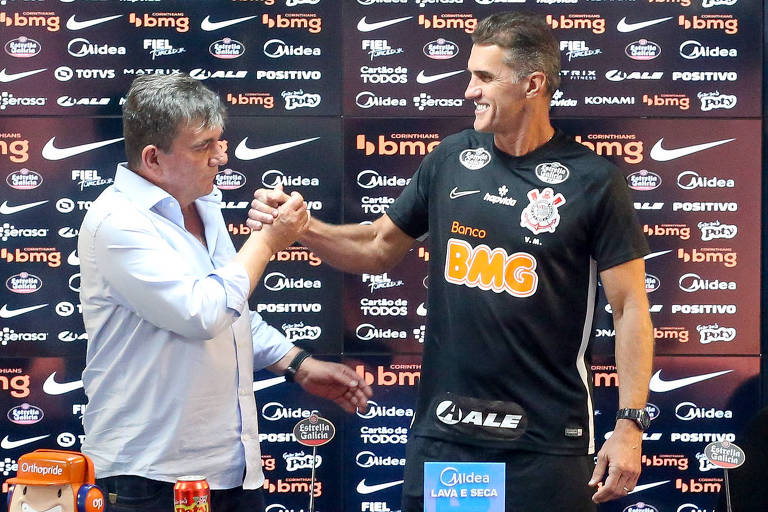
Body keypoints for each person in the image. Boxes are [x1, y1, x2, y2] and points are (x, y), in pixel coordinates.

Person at [247, 12, 654, 511]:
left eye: (484, 78)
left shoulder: (594, 180)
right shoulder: (450, 158)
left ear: (532, 83)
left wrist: (630, 424)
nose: (468, 91)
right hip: (449, 435)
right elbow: (378, 247)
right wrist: (303, 227)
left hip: (548, 441)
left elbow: (631, 306)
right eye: (469, 75)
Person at [77, 73, 372, 512]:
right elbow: (201, 313)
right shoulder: (118, 221)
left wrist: (297, 364)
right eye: (203, 146)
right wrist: (267, 242)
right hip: (148, 474)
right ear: (153, 158)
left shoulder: (201, 204)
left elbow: (231, 311)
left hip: (230, 469)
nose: (221, 156)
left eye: (220, 140)